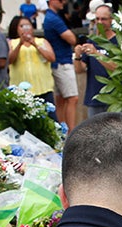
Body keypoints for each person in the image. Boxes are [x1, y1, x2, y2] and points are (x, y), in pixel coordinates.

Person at [43, 0, 80, 130]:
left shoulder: (52, 16)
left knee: (61, 99)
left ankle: (61, 132)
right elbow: (72, 39)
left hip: (57, 62)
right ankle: (71, 133)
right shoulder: (53, 19)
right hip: (62, 62)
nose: (63, 2)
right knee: (72, 98)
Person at [76, 3, 116, 116]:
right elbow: (80, 70)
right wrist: (77, 56)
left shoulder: (118, 42)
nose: (99, 22)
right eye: (97, 19)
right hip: (94, 98)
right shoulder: (92, 41)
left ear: (111, 20)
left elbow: (117, 68)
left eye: (103, 19)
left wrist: (96, 53)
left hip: (114, 99)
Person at [8, 15, 56, 107]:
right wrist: (20, 44)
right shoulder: (12, 43)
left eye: (28, 26)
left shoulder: (41, 41)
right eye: (22, 26)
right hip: (20, 89)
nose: (25, 29)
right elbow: (9, 60)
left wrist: (35, 44)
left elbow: (51, 57)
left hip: (43, 88)